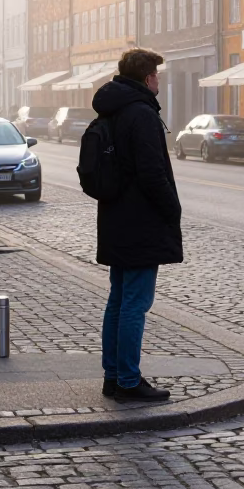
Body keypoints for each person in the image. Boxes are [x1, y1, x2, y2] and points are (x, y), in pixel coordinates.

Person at [91, 48, 182, 403]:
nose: (159, 80)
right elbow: (151, 172)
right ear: (147, 78)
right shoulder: (140, 113)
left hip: (116, 217)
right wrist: (171, 209)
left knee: (119, 299)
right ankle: (128, 380)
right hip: (140, 220)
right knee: (134, 303)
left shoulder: (113, 109)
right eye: (157, 75)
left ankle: (113, 376)